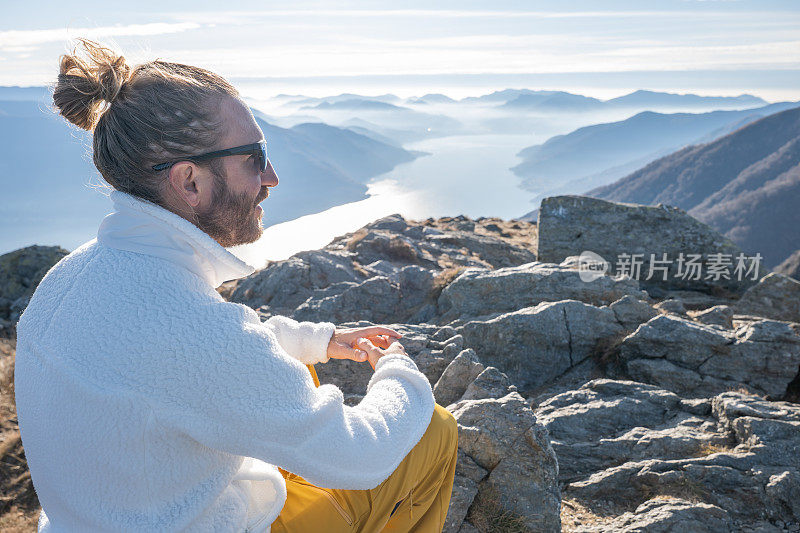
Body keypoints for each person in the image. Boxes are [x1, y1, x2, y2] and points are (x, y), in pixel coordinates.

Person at [14, 39, 458, 533]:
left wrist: (318, 342)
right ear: (189, 182)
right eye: (253, 156)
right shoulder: (187, 325)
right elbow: (360, 457)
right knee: (432, 431)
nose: (271, 176)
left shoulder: (75, 277)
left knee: (300, 375)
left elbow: (192, 363)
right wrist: (400, 371)